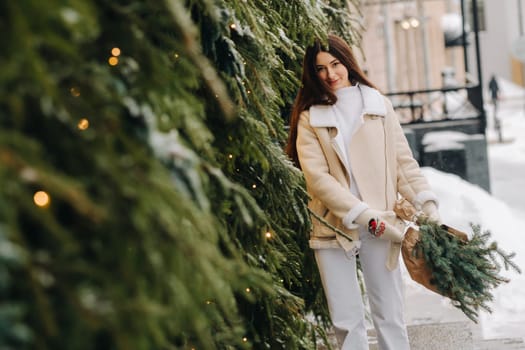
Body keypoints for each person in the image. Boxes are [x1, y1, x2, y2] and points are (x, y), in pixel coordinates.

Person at [286, 34, 440, 350]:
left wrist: (426, 204)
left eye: (335, 64)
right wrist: (361, 214)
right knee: (346, 321)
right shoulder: (309, 117)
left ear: (348, 62)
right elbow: (318, 179)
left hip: (382, 224)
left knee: (391, 316)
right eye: (320, 69)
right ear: (311, 74)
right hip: (332, 226)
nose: (330, 74)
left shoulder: (377, 105)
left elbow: (402, 163)